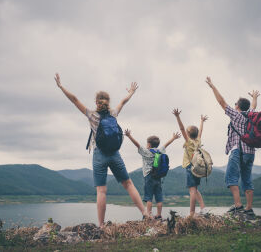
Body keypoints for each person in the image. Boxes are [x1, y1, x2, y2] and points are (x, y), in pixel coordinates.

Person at [54, 73, 148, 227]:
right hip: (115, 153)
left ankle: (102, 225)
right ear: (108, 102)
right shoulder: (113, 114)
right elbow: (124, 101)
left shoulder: (92, 116)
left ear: (96, 102)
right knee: (128, 184)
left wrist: (61, 86)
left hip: (99, 155)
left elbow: (74, 99)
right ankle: (144, 213)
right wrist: (131, 91)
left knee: (101, 191)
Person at [205, 76, 260, 216]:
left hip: (238, 151)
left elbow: (222, 102)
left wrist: (212, 86)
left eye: (235, 103)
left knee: (230, 178)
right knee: (247, 179)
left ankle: (238, 205)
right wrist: (254, 96)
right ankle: (249, 208)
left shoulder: (237, 116)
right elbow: (253, 106)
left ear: (237, 106)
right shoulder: (251, 115)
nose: (234, 105)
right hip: (250, 153)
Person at [124, 129, 181, 219]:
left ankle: (149, 215)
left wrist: (129, 136)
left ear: (149, 144)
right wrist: (173, 138)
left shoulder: (146, 152)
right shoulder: (160, 151)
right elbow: (166, 145)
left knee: (149, 197)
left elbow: (137, 145)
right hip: (158, 177)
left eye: (147, 143)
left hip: (148, 177)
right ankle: (159, 215)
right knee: (159, 197)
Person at [172, 109, 209, 217]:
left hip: (190, 167)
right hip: (197, 167)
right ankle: (203, 208)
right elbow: (200, 131)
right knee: (195, 189)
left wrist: (177, 116)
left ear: (187, 134)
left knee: (192, 191)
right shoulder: (198, 141)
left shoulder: (189, 142)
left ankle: (192, 213)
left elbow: (181, 128)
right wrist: (202, 121)